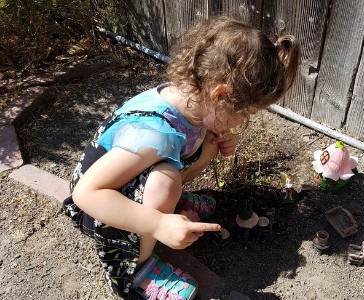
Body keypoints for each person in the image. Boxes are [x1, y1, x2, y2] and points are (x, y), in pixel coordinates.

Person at [63, 15, 300, 300]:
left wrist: (211, 148)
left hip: (128, 185)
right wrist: (158, 224)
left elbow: (179, 157)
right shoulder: (154, 134)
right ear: (220, 94)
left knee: (179, 170)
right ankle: (135, 271)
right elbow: (86, 193)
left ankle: (165, 203)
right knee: (164, 182)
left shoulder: (189, 102)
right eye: (245, 114)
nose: (242, 122)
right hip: (100, 213)